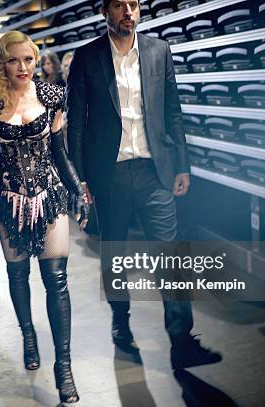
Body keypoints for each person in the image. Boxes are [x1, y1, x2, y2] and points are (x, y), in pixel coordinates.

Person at [66, 0, 221, 370]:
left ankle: (182, 340)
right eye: (119, 5)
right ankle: (121, 323)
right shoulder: (87, 57)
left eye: (133, 4)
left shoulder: (158, 50)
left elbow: (173, 110)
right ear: (106, 11)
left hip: (155, 172)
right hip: (110, 175)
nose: (128, 12)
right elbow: (75, 122)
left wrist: (181, 165)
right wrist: (80, 179)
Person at [0, 30, 88, 404]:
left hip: (49, 196)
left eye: (28, 60)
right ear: (1, 63)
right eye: (14, 60)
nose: (22, 67)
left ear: (36, 61)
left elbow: (59, 150)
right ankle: (27, 335)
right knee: (17, 275)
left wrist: (77, 189)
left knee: (57, 280)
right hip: (9, 202)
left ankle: (64, 367)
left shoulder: (52, 97)